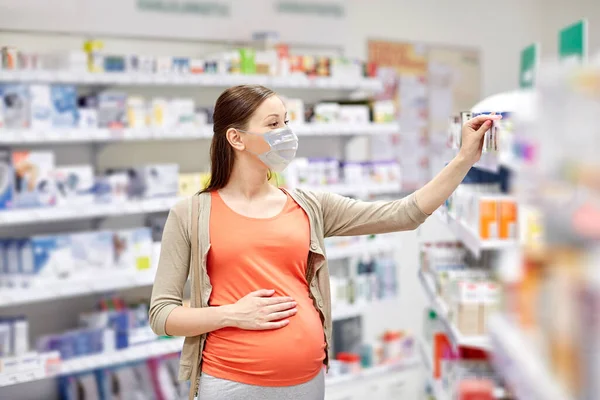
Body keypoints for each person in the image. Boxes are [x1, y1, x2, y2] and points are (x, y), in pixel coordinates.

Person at [149, 85, 500, 400]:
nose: (285, 133)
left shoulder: (309, 205)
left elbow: (404, 213)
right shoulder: (190, 213)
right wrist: (233, 315)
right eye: (273, 124)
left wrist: (464, 159)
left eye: (287, 122)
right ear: (236, 139)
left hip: (307, 379)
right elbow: (162, 315)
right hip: (231, 382)